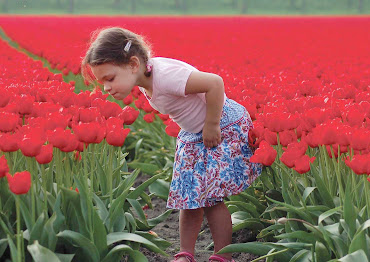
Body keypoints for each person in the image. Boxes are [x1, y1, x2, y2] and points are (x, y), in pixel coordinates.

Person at [82, 27, 262, 262]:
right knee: (189, 196)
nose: (106, 87)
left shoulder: (166, 77)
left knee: (211, 198)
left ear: (133, 64)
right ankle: (186, 253)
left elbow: (215, 84)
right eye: (102, 81)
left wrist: (211, 124)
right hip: (194, 132)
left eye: (110, 78)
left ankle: (222, 256)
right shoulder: (147, 78)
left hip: (220, 126)